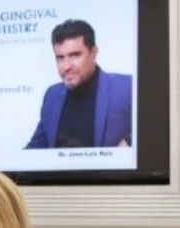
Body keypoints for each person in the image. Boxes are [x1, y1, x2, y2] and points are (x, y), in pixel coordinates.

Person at [26, 19, 132, 149]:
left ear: (93, 53)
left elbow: (155, 124)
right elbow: (36, 148)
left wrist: (129, 142)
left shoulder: (127, 87)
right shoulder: (52, 95)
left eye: (74, 55)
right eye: (60, 58)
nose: (66, 66)